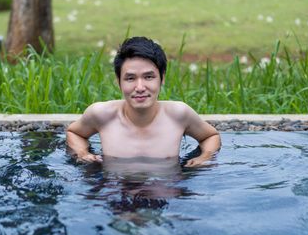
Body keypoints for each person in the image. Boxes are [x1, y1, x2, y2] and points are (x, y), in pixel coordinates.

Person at [66, 36, 221, 167]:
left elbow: (210, 137)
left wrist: (205, 157)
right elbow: (74, 133)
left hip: (166, 195)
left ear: (162, 78)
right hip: (116, 194)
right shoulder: (102, 115)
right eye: (130, 78)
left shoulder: (179, 115)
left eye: (148, 77)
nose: (140, 87)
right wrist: (82, 153)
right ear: (118, 82)